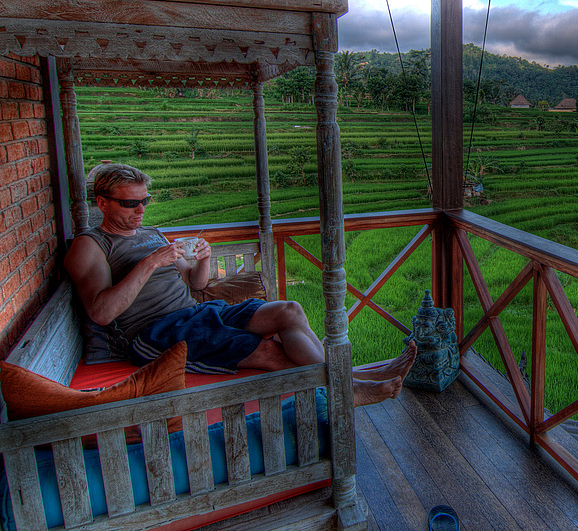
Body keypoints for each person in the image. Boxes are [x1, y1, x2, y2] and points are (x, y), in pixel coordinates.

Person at [64, 164, 415, 407]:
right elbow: (101, 312)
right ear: (103, 203)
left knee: (289, 310)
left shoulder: (152, 234)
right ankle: (348, 388)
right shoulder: (91, 245)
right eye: (130, 203)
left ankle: (351, 375)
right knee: (265, 350)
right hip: (155, 335)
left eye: (145, 201)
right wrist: (150, 263)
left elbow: (195, 283)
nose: (140, 209)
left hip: (198, 313)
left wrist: (203, 258)